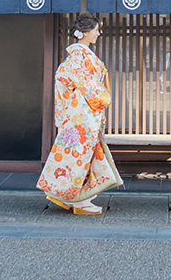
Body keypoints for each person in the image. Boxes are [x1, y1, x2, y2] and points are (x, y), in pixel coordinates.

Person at [36, 13, 123, 214]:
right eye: (96, 30)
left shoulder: (80, 55)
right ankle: (79, 201)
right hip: (82, 116)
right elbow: (88, 84)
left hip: (81, 114)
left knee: (76, 156)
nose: (98, 34)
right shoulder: (79, 56)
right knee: (79, 157)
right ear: (84, 32)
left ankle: (70, 196)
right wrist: (104, 98)